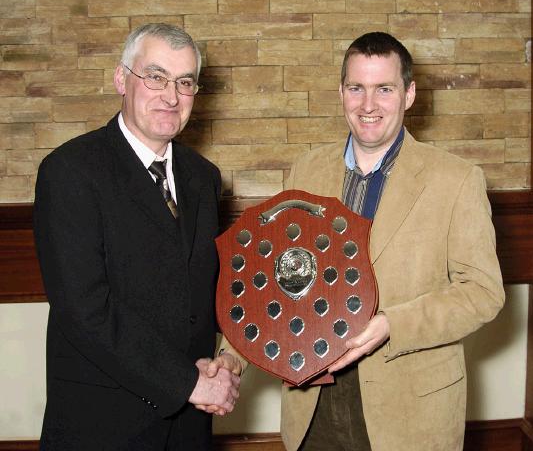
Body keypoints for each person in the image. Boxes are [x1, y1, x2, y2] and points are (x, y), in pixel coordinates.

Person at [216, 32, 505, 450]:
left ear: (408, 94)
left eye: (383, 89)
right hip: (312, 404)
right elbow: (271, 274)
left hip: (409, 414)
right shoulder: (305, 170)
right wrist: (232, 358)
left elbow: (482, 292)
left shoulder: (457, 180)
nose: (368, 105)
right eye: (357, 88)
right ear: (341, 92)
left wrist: (392, 325)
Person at [34, 23, 239, 450]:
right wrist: (188, 384)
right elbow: (85, 309)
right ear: (121, 79)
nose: (171, 96)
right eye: (156, 77)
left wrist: (231, 357)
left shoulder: (203, 177)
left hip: (188, 428)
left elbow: (209, 290)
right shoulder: (70, 171)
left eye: (185, 83)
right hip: (103, 427)